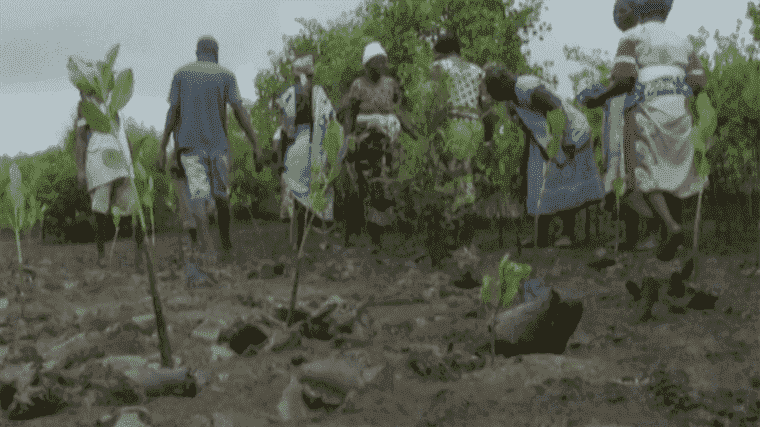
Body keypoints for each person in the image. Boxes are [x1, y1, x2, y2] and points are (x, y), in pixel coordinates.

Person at [581, 0, 707, 261]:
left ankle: (671, 227)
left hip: (648, 108)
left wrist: (599, 98)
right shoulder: (682, 41)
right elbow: (698, 80)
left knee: (643, 171)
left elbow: (625, 78)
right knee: (673, 170)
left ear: (639, 10)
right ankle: (669, 235)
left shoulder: (632, 37)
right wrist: (677, 91)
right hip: (678, 111)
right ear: (667, 10)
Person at [158, 36, 262, 288]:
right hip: (217, 149)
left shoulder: (181, 74)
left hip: (190, 147)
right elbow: (239, 111)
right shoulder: (225, 75)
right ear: (216, 53)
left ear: (197, 52)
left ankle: (205, 253)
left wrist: (163, 146)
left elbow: (173, 112)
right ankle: (223, 247)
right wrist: (255, 143)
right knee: (221, 197)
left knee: (199, 200)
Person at [484, 66, 606, 249]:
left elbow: (555, 107)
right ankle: (541, 237)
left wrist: (564, 140)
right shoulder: (512, 98)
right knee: (536, 183)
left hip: (570, 133)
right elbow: (529, 127)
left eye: (492, 90)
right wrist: (528, 158)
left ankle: (567, 233)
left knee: (565, 183)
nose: (492, 96)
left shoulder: (525, 87)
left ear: (502, 84)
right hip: (545, 139)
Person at [338, 42, 416, 252]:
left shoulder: (390, 84)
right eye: (376, 61)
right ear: (367, 64)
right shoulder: (358, 85)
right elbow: (351, 114)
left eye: (383, 61)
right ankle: (358, 233)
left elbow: (397, 111)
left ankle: (381, 234)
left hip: (386, 141)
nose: (381, 65)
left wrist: (415, 134)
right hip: (366, 140)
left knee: (383, 184)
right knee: (362, 186)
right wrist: (348, 139)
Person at [276, 54, 342, 252]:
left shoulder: (290, 95)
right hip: (316, 149)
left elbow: (285, 131)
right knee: (319, 195)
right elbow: (331, 124)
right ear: (310, 74)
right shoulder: (319, 94)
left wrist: (281, 160)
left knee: (299, 198)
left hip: (298, 148)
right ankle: (319, 244)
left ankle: (298, 245)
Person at [429, 31, 488, 250]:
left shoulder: (440, 67)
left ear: (441, 51)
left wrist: (431, 129)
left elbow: (437, 101)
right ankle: (465, 238)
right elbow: (484, 103)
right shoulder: (477, 70)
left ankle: (453, 239)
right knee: (466, 178)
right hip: (474, 126)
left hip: (454, 125)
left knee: (449, 178)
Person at [74, 89, 144, 271]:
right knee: (100, 208)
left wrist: (131, 158)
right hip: (99, 158)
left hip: (121, 158)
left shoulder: (114, 101)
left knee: (132, 208)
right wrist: (80, 168)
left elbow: (122, 132)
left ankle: (139, 257)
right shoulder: (84, 106)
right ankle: (102, 256)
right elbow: (81, 137)